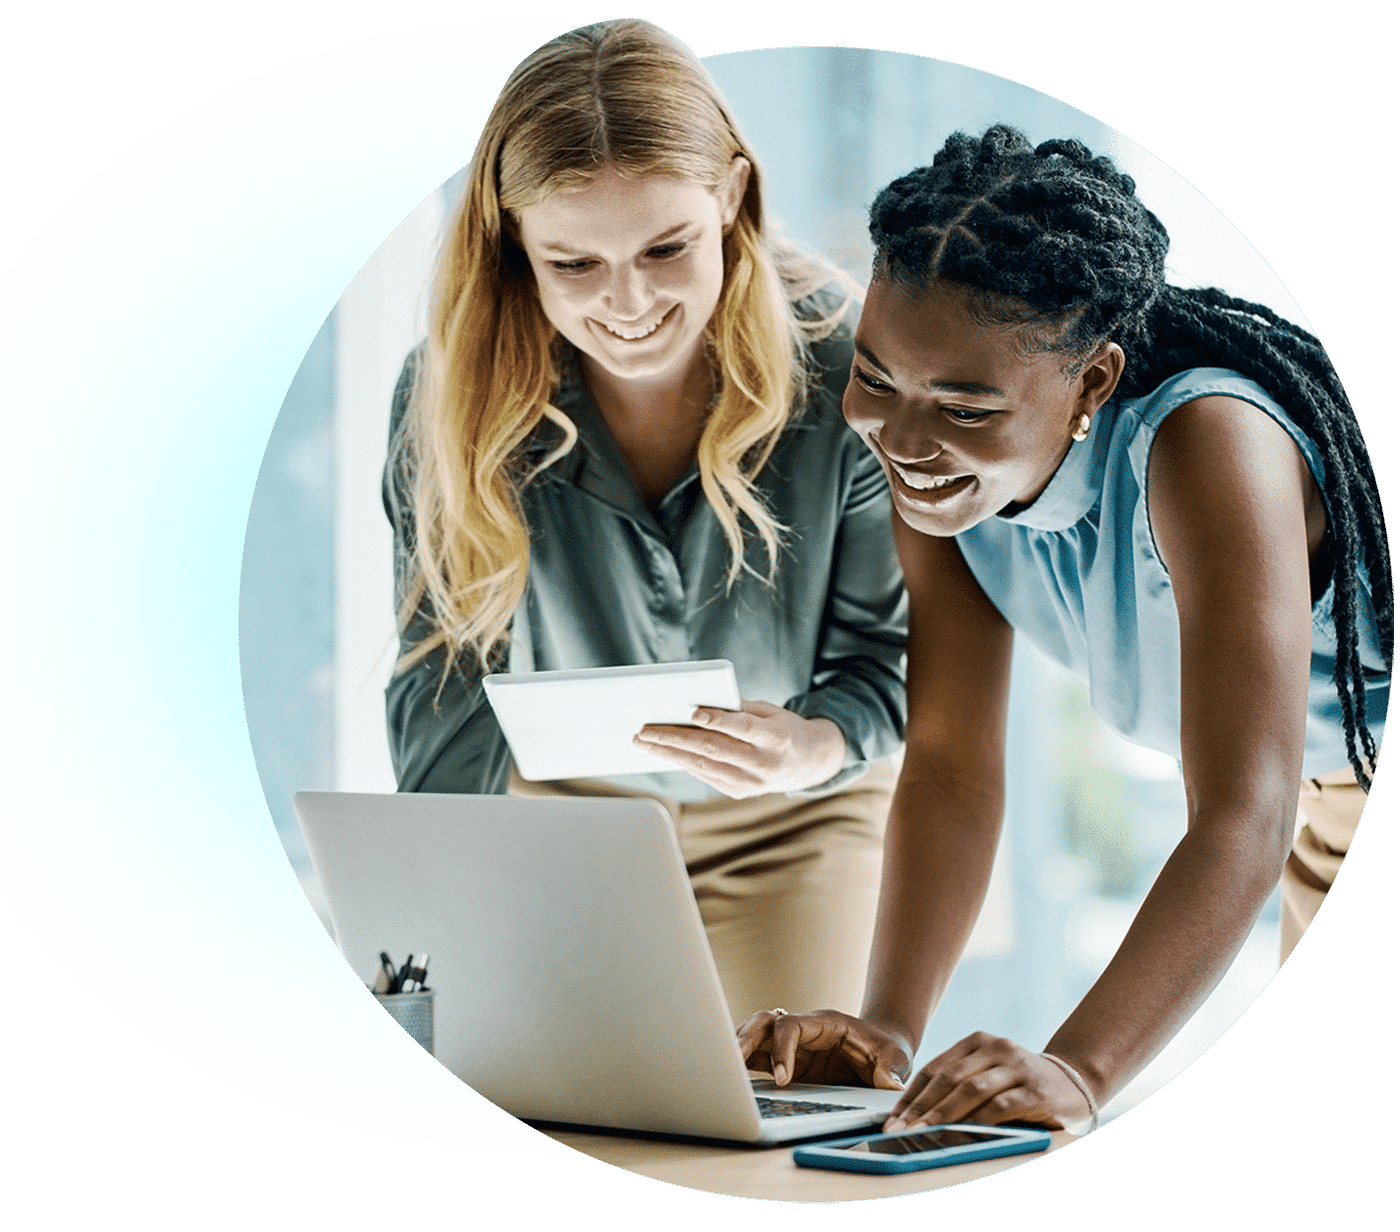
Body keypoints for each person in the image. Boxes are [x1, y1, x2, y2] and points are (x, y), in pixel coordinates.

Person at [739, 126, 1390, 1133]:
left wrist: (1079, 1071)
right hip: (1317, 814)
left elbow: (1238, 813)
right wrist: (886, 1028)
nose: (906, 441)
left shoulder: (1207, 442)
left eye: (963, 405)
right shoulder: (940, 490)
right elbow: (952, 764)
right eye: (875, 378)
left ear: (1090, 382)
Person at [381, 19, 907, 1024]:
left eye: (666, 246)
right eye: (572, 264)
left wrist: (815, 744)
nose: (627, 302)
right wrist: (430, 920)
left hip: (794, 811)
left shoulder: (848, 371)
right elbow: (442, 679)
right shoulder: (445, 399)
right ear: (515, 248)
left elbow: (886, 657)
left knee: (782, 1116)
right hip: (564, 810)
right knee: (557, 1103)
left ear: (732, 198)